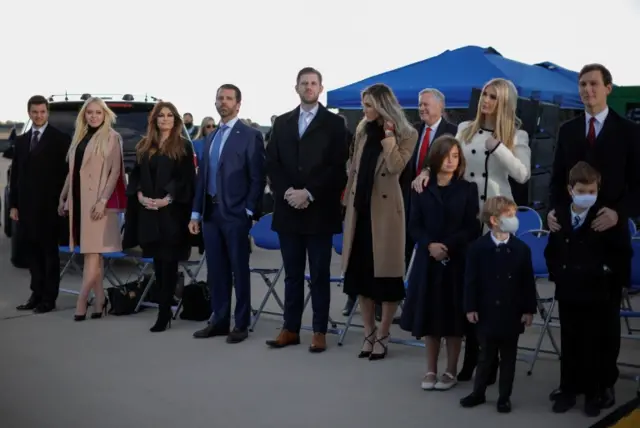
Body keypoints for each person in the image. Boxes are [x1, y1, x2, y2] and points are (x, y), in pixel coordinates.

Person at [411, 78, 531, 383]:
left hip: (496, 216)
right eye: (484, 95)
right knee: (470, 290)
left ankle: (493, 361)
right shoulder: (465, 127)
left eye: (493, 97)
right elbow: (446, 155)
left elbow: (522, 174)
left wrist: (501, 149)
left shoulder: (517, 134)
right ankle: (470, 359)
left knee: (495, 292)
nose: (486, 101)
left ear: (504, 102)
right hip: (463, 217)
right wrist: (426, 170)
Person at [547, 63, 640, 409]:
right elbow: (556, 181)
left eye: (594, 84)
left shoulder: (629, 132)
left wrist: (619, 212)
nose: (588, 90)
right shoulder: (568, 130)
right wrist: (553, 211)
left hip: (609, 240)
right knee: (570, 318)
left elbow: (638, 187)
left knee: (603, 320)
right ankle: (569, 385)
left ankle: (602, 384)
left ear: (608, 88)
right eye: (583, 84)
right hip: (570, 243)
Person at [265, 67, 348, 353]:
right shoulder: (283, 123)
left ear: (321, 88)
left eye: (313, 83)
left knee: (320, 275)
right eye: (304, 83)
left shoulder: (335, 124)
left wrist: (309, 193)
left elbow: (338, 168)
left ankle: (319, 330)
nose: (309, 87)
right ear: (297, 88)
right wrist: (287, 191)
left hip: (319, 211)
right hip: (288, 210)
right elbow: (272, 161)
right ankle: (290, 328)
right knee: (292, 274)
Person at [544, 161, 631, 417]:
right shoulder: (559, 216)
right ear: (571, 190)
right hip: (569, 288)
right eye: (582, 190)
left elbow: (621, 253)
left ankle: (594, 393)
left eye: (592, 191)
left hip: (597, 291)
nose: (588, 196)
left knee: (595, 343)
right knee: (570, 342)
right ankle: (568, 390)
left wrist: (604, 272)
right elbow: (552, 250)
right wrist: (558, 273)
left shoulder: (606, 217)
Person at [341, 83, 417, 360]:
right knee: (360, 278)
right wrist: (346, 202)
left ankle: (384, 333)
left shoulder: (407, 133)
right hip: (359, 211)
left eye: (369, 105)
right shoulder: (361, 131)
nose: (364, 110)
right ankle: (368, 333)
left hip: (385, 214)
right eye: (363, 105)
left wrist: (388, 138)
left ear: (384, 105)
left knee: (386, 278)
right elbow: (354, 170)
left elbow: (397, 167)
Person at [401, 135, 479, 388]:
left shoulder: (468, 189)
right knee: (431, 317)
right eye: (446, 156)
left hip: (456, 261)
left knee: (454, 319)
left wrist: (448, 246)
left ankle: (451, 370)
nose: (450, 161)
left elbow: (472, 227)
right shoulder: (421, 188)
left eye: (455, 156)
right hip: (428, 260)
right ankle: (431, 370)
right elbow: (414, 225)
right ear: (435, 158)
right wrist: (429, 245)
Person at [190, 84, 266, 344]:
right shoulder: (210, 137)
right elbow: (203, 177)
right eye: (220, 98)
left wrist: (247, 209)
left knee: (238, 270)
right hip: (210, 213)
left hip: (235, 213)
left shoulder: (250, 135)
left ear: (238, 103)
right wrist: (195, 214)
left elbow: (257, 177)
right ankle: (219, 320)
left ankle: (241, 323)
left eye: (228, 98)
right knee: (216, 270)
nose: (223, 102)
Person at [123, 102, 196, 332]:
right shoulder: (145, 146)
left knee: (169, 264)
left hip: (172, 215)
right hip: (149, 213)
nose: (165, 119)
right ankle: (164, 307)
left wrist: (168, 199)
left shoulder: (183, 147)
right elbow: (135, 176)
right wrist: (141, 196)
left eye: (169, 116)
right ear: (154, 120)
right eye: (160, 116)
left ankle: (164, 314)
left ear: (175, 120)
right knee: (157, 264)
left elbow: (187, 180)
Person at [459, 196, 537, 413]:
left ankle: (504, 397)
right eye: (509, 216)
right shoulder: (477, 248)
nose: (514, 220)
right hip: (486, 312)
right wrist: (470, 307)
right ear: (494, 220)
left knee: (509, 358)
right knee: (485, 356)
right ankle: (478, 392)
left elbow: (527, 282)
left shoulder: (521, 249)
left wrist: (528, 310)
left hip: (512, 313)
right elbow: (470, 281)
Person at [58, 97, 126, 321]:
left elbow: (115, 172)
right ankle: (100, 301)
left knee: (91, 254)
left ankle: (81, 301)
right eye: (90, 113)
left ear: (105, 114)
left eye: (98, 112)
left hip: (98, 204)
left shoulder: (112, 137)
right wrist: (64, 196)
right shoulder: (79, 136)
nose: (94, 116)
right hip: (79, 201)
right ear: (84, 115)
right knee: (93, 254)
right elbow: (73, 170)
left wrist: (102, 201)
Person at [11, 95, 71, 313]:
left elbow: (67, 175)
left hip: (49, 208)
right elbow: (15, 175)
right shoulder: (21, 141)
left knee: (49, 255)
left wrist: (64, 203)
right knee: (32, 254)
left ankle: (48, 298)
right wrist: (14, 205)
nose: (39, 115)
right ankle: (35, 295)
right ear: (29, 113)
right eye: (35, 112)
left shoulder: (60, 139)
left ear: (48, 113)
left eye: (42, 112)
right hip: (26, 208)